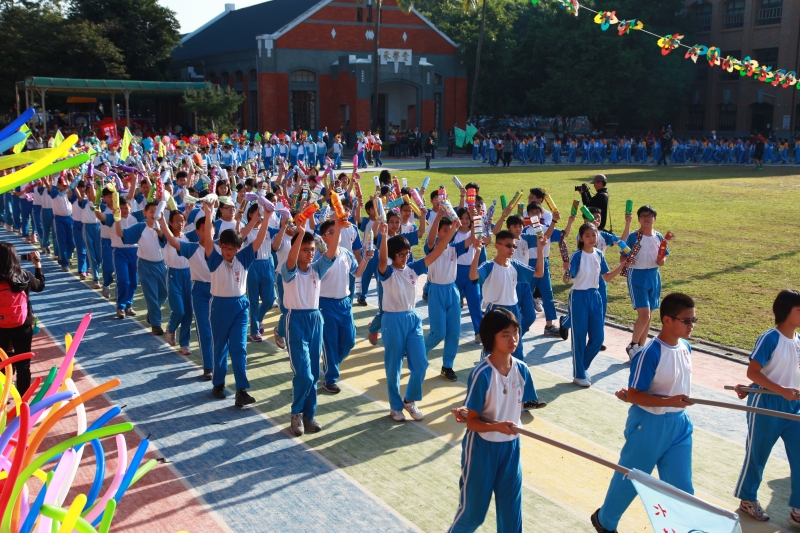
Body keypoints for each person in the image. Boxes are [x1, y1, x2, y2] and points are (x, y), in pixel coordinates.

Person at [592, 293, 697, 533]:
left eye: (694, 320)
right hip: (649, 425)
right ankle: (605, 521)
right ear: (667, 320)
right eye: (687, 320)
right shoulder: (650, 353)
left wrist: (673, 404)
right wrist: (669, 401)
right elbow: (635, 394)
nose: (691, 325)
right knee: (631, 479)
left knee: (682, 486)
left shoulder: (686, 347)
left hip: (679, 425)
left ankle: (684, 528)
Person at [448, 308, 538, 533]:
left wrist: (505, 427)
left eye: (515, 332)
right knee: (472, 514)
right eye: (505, 334)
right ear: (491, 337)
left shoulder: (522, 371)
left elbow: (514, 407)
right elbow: (472, 423)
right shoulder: (482, 374)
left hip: (511, 449)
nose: (513, 339)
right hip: (482, 449)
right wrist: (497, 426)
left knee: (511, 517)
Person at [378, 213, 459, 422]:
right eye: (401, 254)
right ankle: (395, 406)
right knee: (394, 366)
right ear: (393, 256)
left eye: (407, 253)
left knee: (421, 364)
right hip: (392, 320)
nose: (405, 257)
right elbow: (382, 259)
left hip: (412, 319)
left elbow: (438, 250)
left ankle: (409, 400)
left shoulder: (414, 269)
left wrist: (452, 230)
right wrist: (384, 236)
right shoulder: (387, 272)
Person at [732, 289, 800, 525]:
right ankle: (747, 498)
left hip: (794, 406)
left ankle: (798, 509)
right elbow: (753, 372)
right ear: (786, 311)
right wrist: (780, 390)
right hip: (766, 403)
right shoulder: (769, 338)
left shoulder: (798, 340)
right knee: (757, 454)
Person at [203, 201, 271, 407]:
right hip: (219, 306)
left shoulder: (244, 258)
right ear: (220, 246)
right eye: (225, 247)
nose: (228, 252)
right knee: (220, 346)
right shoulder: (214, 259)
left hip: (240, 306)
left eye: (232, 248)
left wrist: (266, 218)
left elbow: (259, 239)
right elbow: (208, 240)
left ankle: (241, 390)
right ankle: (218, 383)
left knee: (239, 347)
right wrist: (208, 213)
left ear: (239, 248)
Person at [282, 218, 341, 435]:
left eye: (313, 250)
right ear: (296, 250)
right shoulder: (289, 270)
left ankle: (309, 415)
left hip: (316, 320)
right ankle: (296, 413)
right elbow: (291, 258)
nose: (310, 253)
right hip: (296, 321)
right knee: (304, 374)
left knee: (314, 374)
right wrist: (300, 233)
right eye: (305, 250)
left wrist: (339, 228)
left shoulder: (317, 269)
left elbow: (332, 252)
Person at [567, 224, 628, 387]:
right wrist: (566, 273)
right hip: (579, 296)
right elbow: (568, 278)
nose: (591, 238)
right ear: (581, 238)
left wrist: (622, 265)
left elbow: (606, 277)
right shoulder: (577, 255)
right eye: (587, 235)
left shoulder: (599, 254)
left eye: (594, 235)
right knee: (579, 337)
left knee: (598, 338)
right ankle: (579, 374)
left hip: (595, 296)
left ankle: (582, 367)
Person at [318, 218, 372, 394]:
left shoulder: (346, 254)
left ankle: (330, 365)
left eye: (338, 231)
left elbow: (356, 272)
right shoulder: (321, 255)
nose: (337, 234)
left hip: (344, 303)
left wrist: (366, 259)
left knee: (349, 341)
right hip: (325, 304)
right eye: (332, 232)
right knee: (330, 342)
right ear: (323, 237)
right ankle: (330, 379)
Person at [424, 209, 474, 381]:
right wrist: (438, 216)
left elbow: (473, 238)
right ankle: (418, 352)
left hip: (452, 291)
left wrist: (475, 218)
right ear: (438, 232)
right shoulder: (431, 248)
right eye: (444, 230)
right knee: (438, 332)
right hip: (436, 291)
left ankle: (447, 366)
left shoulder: (455, 248)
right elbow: (432, 239)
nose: (448, 233)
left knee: (453, 332)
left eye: (450, 230)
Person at [622, 205, 670, 361]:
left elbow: (663, 256)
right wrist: (628, 260)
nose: (646, 218)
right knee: (644, 315)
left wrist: (662, 260)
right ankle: (633, 345)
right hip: (637, 276)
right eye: (643, 216)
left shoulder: (659, 237)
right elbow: (622, 257)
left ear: (655, 218)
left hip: (653, 276)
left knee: (648, 316)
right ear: (638, 219)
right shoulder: (633, 237)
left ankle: (640, 348)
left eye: (649, 216)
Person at [0, 244, 44, 396]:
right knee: (23, 365)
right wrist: (37, 265)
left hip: (1, 326)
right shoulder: (24, 276)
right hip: (23, 325)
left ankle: (2, 397)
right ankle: (23, 401)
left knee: (2, 362)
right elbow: (40, 286)